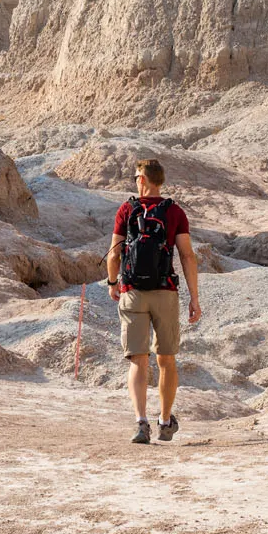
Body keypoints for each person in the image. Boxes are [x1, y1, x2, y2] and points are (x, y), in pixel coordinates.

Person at [106, 158, 201, 444]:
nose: (134, 180)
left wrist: (114, 283)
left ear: (144, 180)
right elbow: (187, 255)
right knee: (166, 359)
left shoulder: (127, 209)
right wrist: (194, 298)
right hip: (165, 291)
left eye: (136, 175)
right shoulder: (174, 212)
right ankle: (165, 420)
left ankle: (141, 422)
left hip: (132, 291)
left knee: (138, 359)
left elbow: (113, 254)